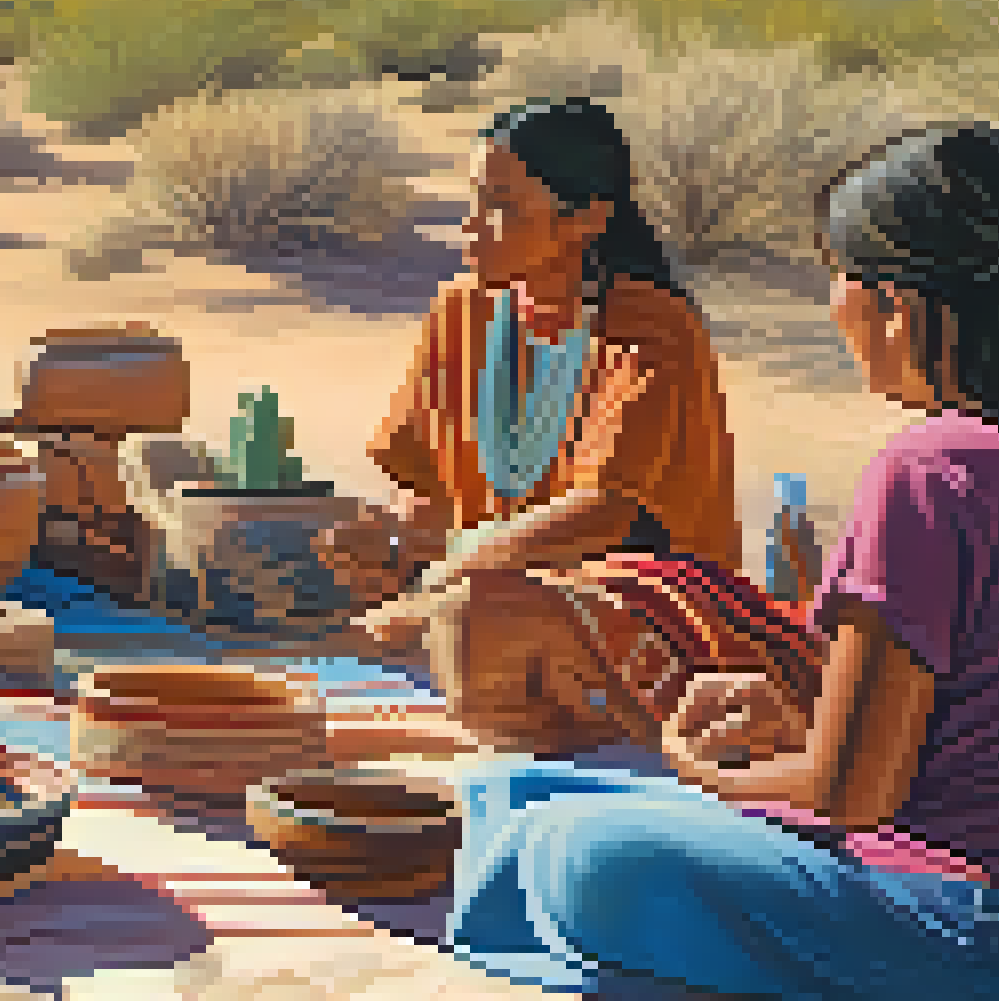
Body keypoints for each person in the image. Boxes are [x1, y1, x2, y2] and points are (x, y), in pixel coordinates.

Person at [438, 122, 999, 998]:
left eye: (838, 277)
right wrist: (791, 719)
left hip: (981, 926)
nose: (833, 306)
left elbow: (852, 795)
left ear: (895, 308)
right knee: (517, 790)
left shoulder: (930, 474)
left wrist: (693, 760)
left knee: (577, 859)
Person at [319, 98, 821, 756]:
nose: (471, 226)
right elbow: (427, 487)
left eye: (503, 207)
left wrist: (453, 572)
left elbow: (601, 516)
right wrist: (388, 540)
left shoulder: (650, 328)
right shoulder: (461, 312)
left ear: (584, 219)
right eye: (473, 200)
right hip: (488, 584)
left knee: (469, 626)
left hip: (639, 602)